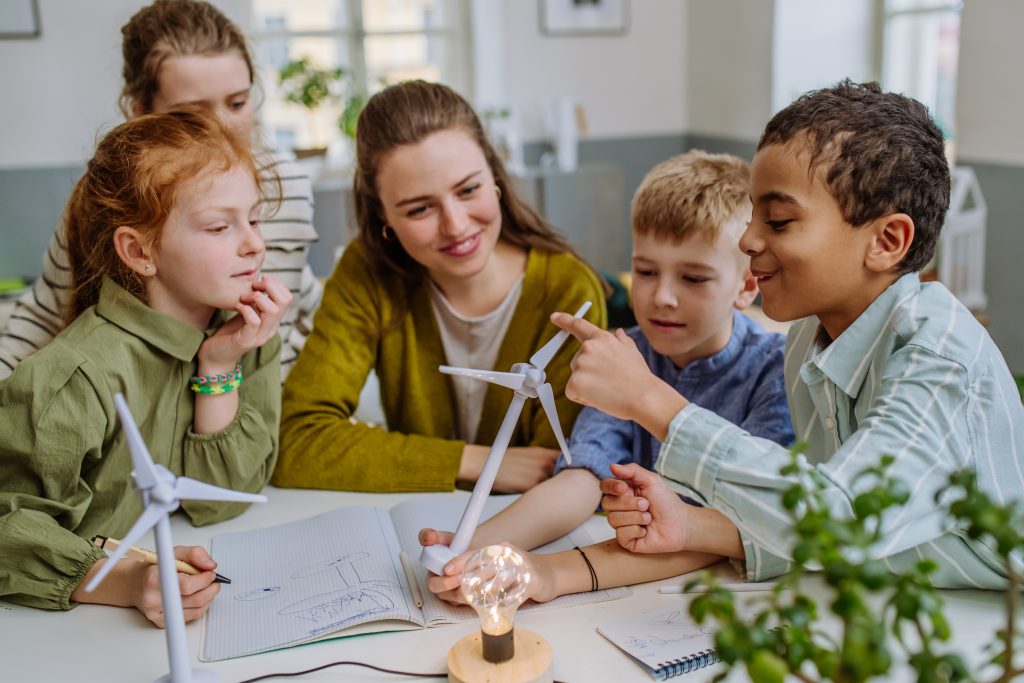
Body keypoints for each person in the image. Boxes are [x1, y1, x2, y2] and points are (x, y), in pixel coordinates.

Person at [554, 80, 1024, 591]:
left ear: (887, 241)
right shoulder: (808, 338)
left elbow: (842, 519)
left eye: (778, 221)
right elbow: (808, 522)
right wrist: (689, 526)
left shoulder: (937, 358)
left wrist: (649, 399)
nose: (749, 239)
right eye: (755, 216)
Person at [421, 151, 793, 565]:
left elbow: (761, 517)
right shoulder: (622, 359)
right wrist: (475, 545)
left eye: (692, 278)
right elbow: (582, 477)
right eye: (646, 272)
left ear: (746, 286)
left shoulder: (776, 371)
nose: (662, 297)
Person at [0, 110, 289, 623]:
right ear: (139, 251)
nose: (255, 244)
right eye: (221, 226)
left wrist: (218, 368)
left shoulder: (247, 332)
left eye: (255, 218)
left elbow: (224, 501)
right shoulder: (72, 375)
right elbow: (8, 526)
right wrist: (126, 579)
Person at [273, 80, 607, 493]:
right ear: (384, 218)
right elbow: (297, 440)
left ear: (495, 175)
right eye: (419, 208)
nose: (456, 225)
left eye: (468, 190)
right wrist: (477, 460)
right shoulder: (368, 272)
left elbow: (558, 467)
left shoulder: (569, 290)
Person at [0, 0, 321, 382]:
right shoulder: (105, 197)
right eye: (192, 113)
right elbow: (43, 316)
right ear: (141, 112)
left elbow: (293, 311)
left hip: (249, 410)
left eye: (238, 102)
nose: (222, 128)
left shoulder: (285, 187)